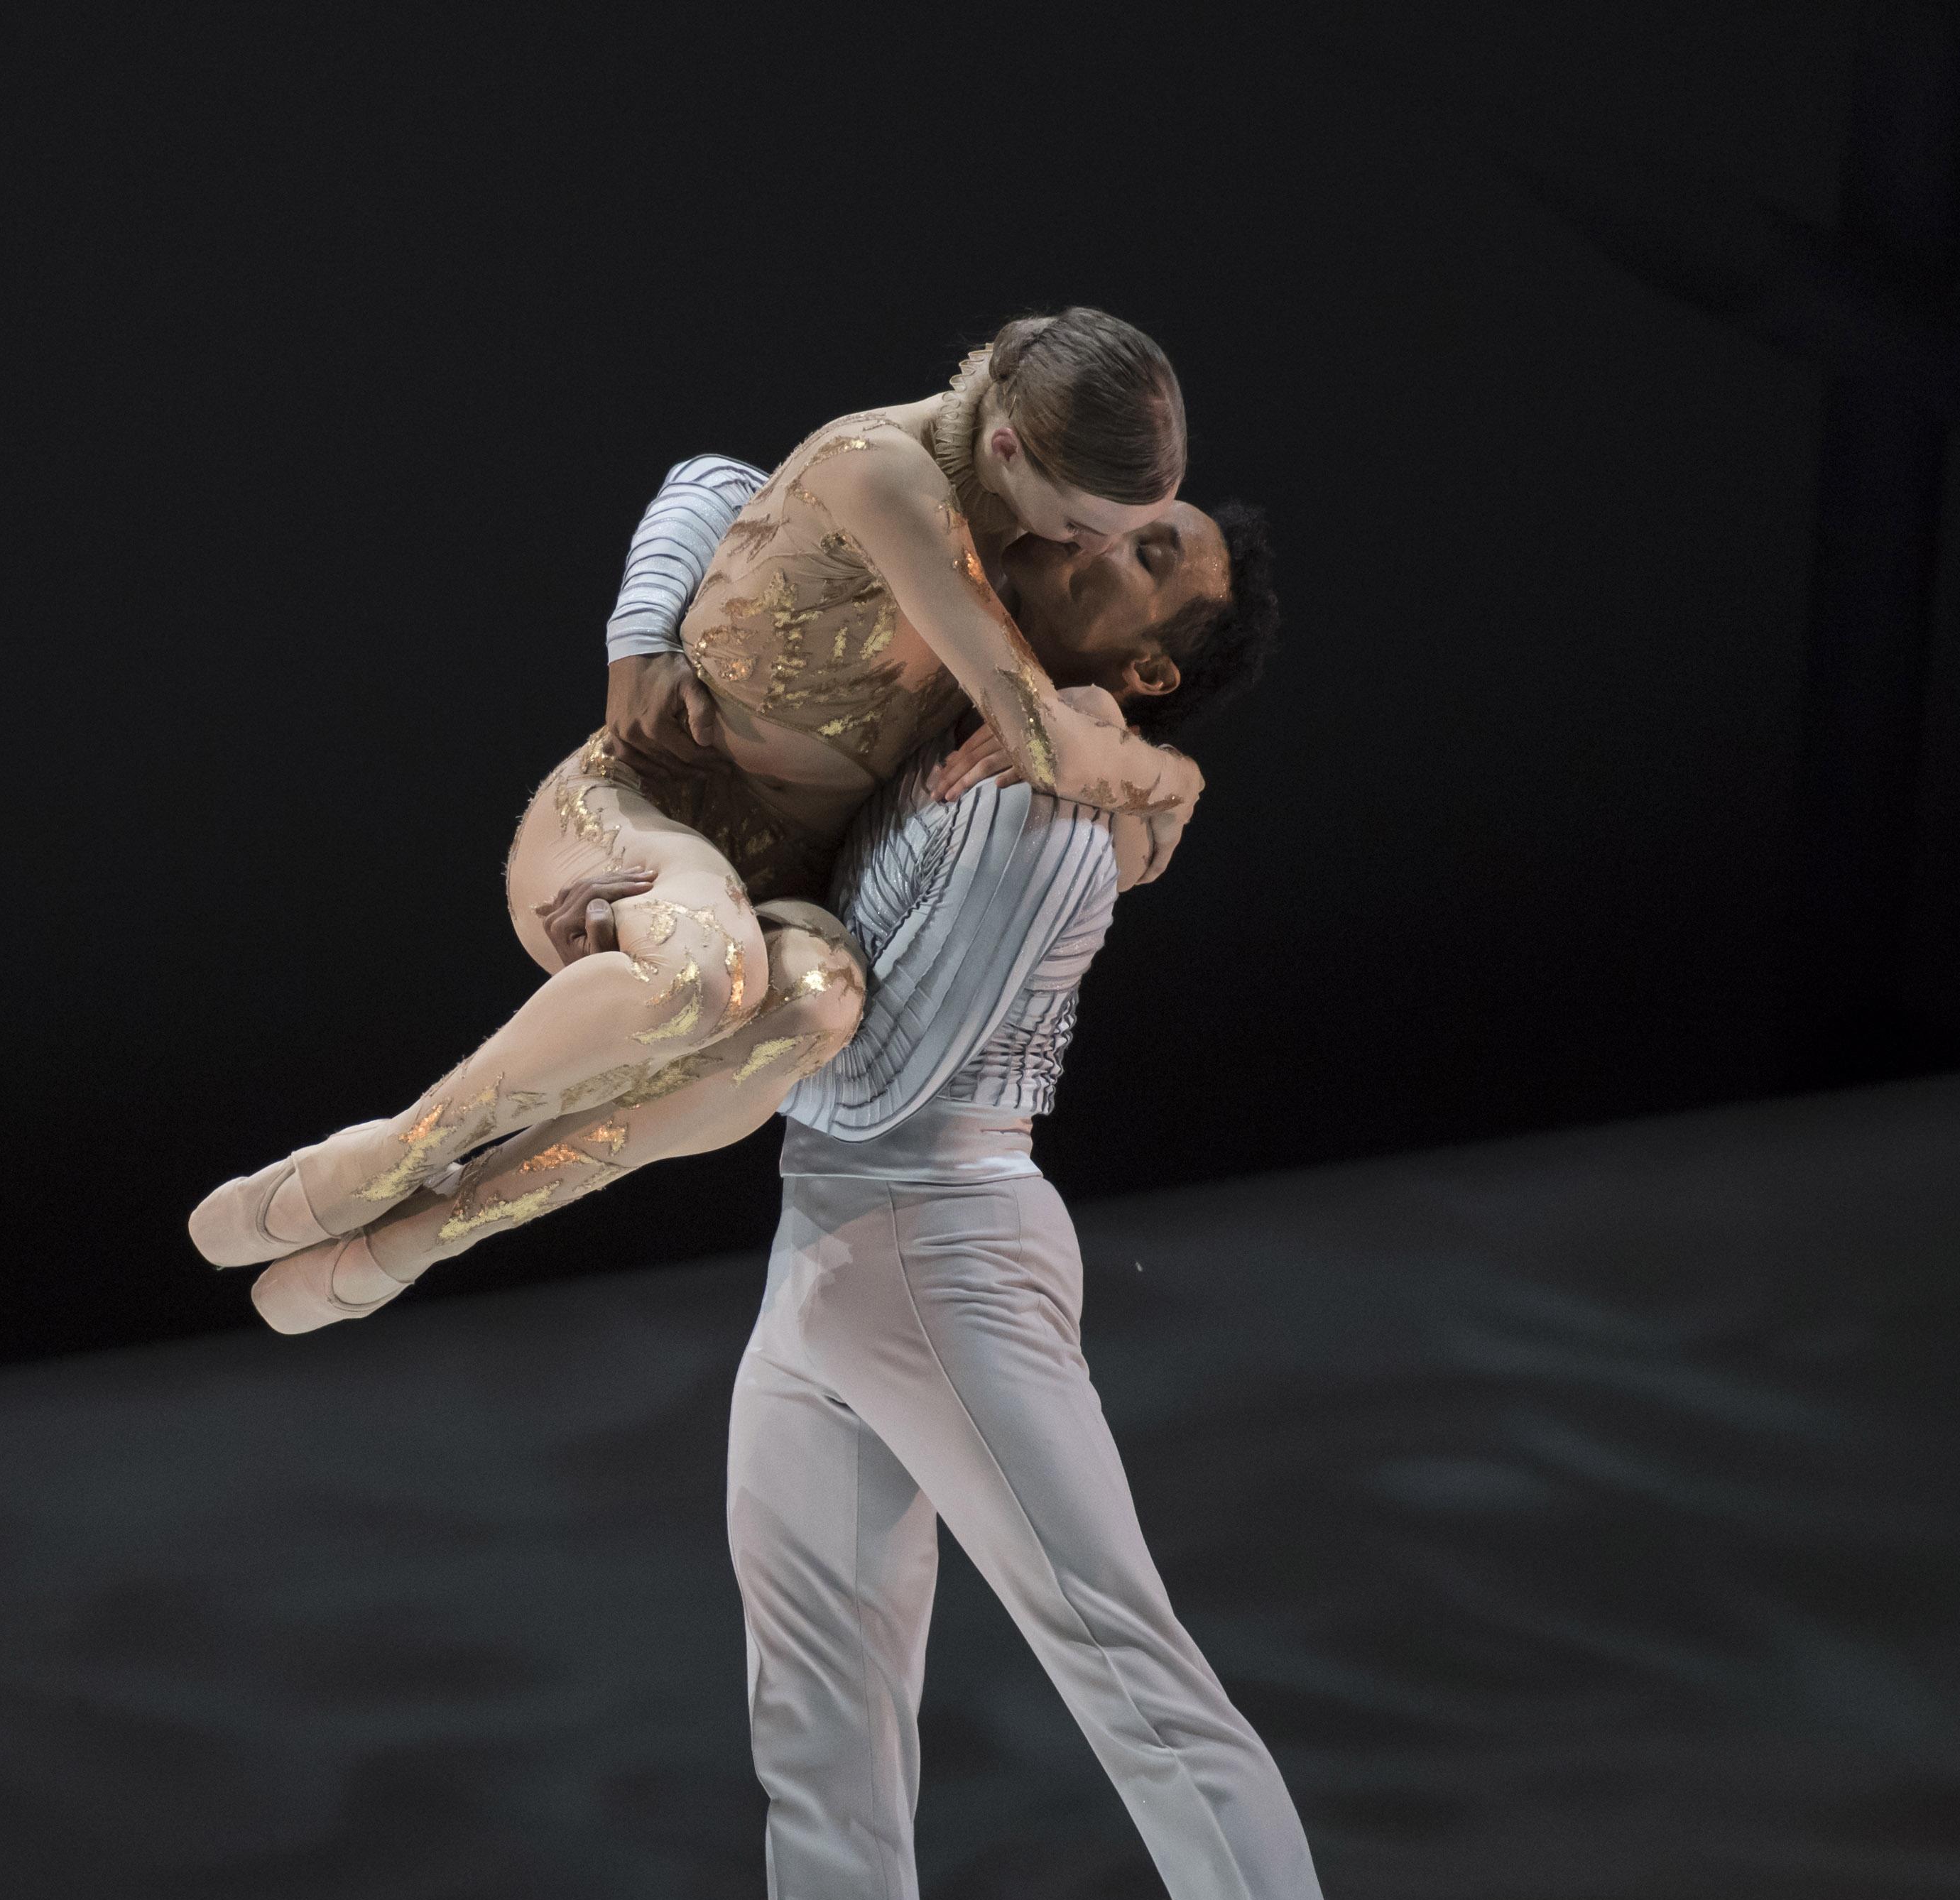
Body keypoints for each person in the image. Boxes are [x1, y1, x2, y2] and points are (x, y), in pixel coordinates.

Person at [599, 494, 1476, 1900]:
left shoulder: (1051, 817)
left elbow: (872, 1079)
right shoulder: (929, 718)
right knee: (821, 1747)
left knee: (1143, 1687)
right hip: (819, 1269)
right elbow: (708, 481)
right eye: (1131, 514)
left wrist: (714, 976)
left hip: (945, 1253)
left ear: (1142, 663)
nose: (1108, 531)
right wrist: (644, 657)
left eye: (1155, 552)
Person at [190, 313, 1213, 1333]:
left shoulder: (1017, 573)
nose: (1086, 550)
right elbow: (715, 485)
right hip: (632, 820)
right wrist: (1172, 777)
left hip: (774, 901)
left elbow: (1074, 795)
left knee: (816, 1004)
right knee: (705, 974)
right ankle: (384, 1160)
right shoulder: (885, 474)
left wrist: (1107, 726)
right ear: (1005, 449)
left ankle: (423, 1235)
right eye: (1084, 529)